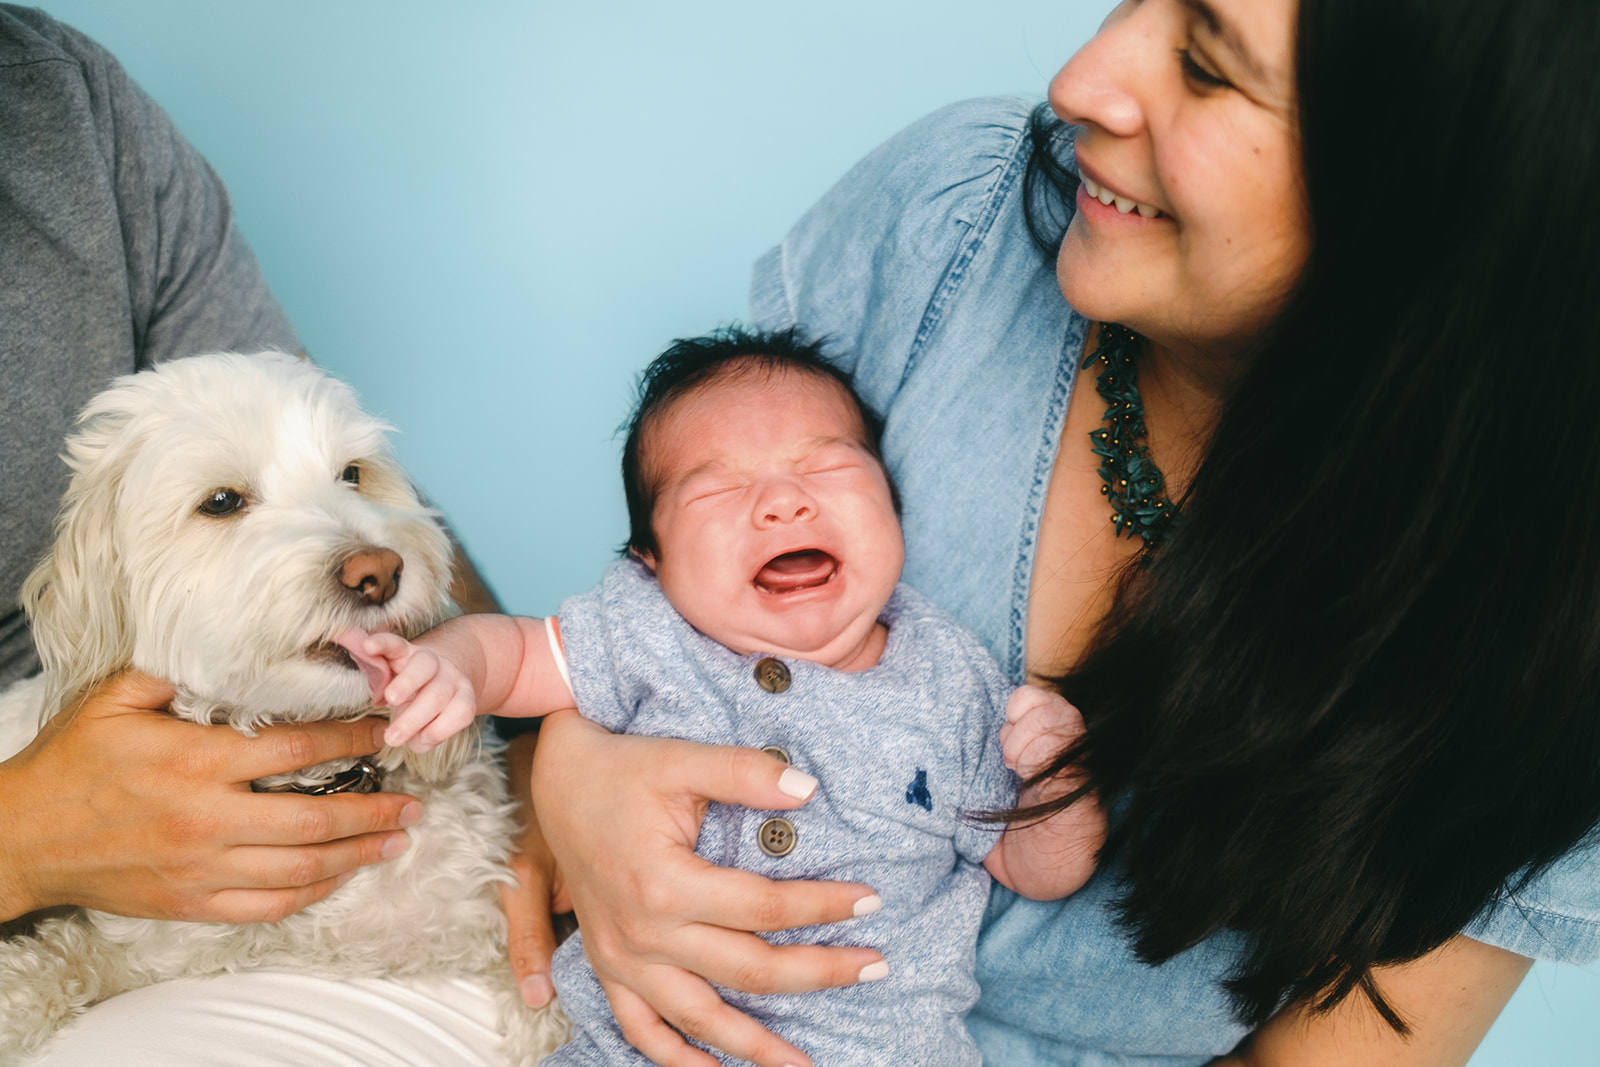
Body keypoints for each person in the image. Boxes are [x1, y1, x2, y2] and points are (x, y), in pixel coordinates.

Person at [522, 1, 1600, 1065]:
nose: (1079, 80)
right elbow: (679, 585)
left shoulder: (1541, 652)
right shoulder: (962, 214)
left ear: (1434, 202)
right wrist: (564, 770)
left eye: (1210, 66)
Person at [0, 7, 552, 1060]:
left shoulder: (67, 103)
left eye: (352, 477)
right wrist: (22, 836)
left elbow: (284, 433)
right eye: (223, 504)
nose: (359, 548)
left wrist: (531, 739)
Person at [349, 327, 1106, 1065]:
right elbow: (511, 656)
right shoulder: (648, 628)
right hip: (644, 1043)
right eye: (721, 486)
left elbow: (1030, 862)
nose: (783, 502)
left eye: (828, 468)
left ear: (894, 504)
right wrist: (449, 666)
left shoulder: (950, 677)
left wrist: (1061, 781)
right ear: (651, 558)